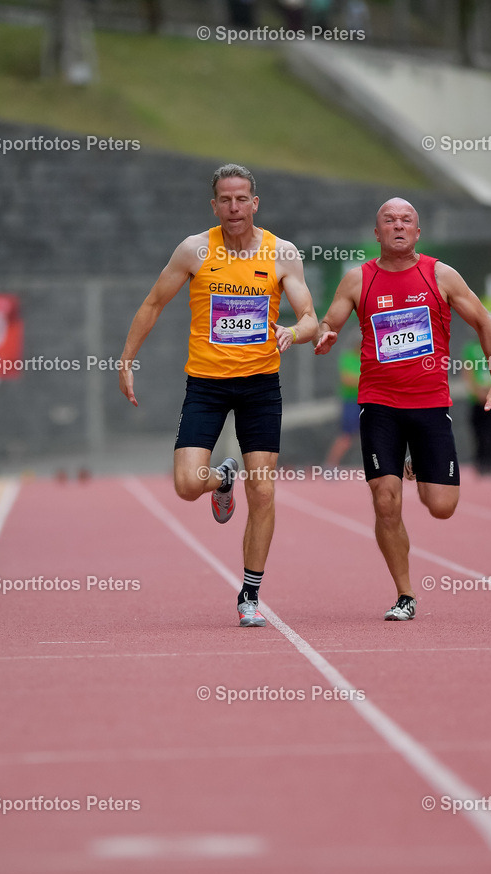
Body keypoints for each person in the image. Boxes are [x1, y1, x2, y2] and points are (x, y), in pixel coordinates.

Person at [119, 163, 317, 626]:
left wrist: (294, 330)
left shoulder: (281, 252)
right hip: (206, 385)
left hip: (260, 386)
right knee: (188, 485)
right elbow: (153, 303)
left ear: (255, 202)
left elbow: (310, 316)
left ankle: (249, 594)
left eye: (241, 198)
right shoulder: (194, 249)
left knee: (263, 490)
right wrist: (126, 360)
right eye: (225, 200)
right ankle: (222, 478)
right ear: (214, 205)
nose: (234, 207)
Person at [315, 197, 491, 621]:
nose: (398, 225)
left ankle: (414, 466)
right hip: (378, 405)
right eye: (389, 220)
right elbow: (329, 322)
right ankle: (405, 594)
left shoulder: (440, 275)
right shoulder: (358, 280)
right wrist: (325, 334)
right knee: (385, 502)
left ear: (418, 232)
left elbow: (485, 322)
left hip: (429, 405)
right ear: (377, 233)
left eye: (407, 220)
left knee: (441, 506)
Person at [461, 322, 491, 476]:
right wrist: (477, 392)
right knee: (478, 432)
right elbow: (467, 373)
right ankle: (480, 462)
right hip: (477, 399)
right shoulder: (471, 349)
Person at [325, 342, 361, 467]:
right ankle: (331, 464)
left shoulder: (367, 357)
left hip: (367, 400)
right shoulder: (348, 357)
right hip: (351, 401)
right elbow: (347, 378)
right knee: (346, 435)